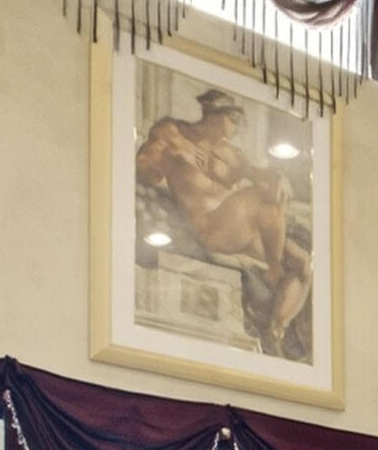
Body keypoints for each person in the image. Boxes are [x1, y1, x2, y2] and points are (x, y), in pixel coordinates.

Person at [134, 86, 312, 355]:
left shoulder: (232, 154)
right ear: (212, 114)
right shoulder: (174, 133)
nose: (237, 124)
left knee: (302, 264)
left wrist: (278, 179)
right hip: (211, 227)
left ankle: (275, 328)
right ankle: (274, 268)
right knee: (263, 199)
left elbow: (259, 177)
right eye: (232, 117)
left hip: (243, 230)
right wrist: (173, 153)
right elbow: (144, 170)